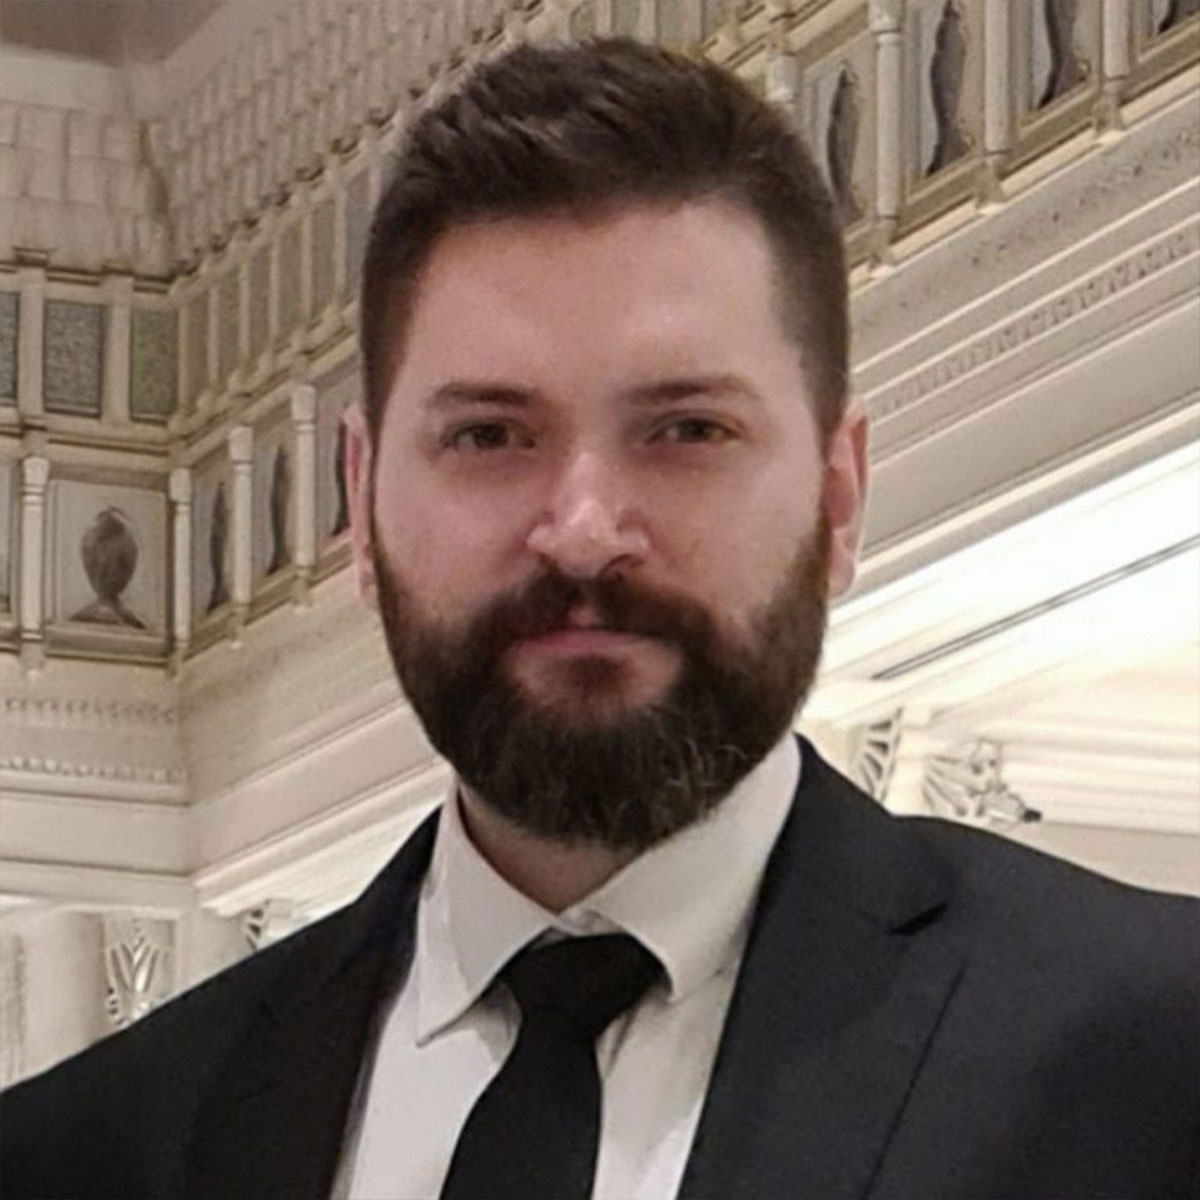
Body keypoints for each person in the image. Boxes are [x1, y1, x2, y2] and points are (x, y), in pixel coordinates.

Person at [2, 38, 1197, 1200]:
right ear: (359, 503)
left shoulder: (1154, 1063)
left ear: (837, 495)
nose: (581, 531)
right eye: (488, 435)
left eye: (687, 430)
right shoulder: (86, 1151)